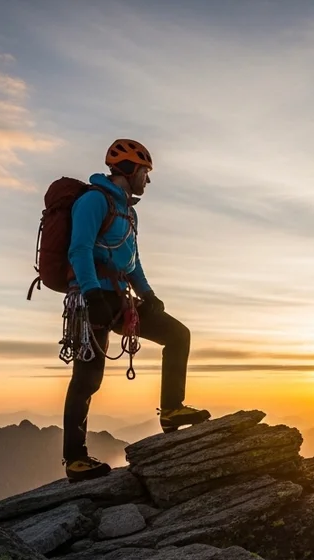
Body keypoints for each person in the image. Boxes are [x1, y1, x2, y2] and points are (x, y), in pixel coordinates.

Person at [62, 138, 210, 481]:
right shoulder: (93, 201)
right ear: (129, 170)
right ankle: (75, 459)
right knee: (87, 378)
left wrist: (148, 294)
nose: (148, 179)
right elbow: (79, 249)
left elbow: (132, 261)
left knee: (178, 335)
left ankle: (171, 410)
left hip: (118, 297)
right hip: (90, 299)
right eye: (145, 171)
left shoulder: (128, 212)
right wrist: (92, 295)